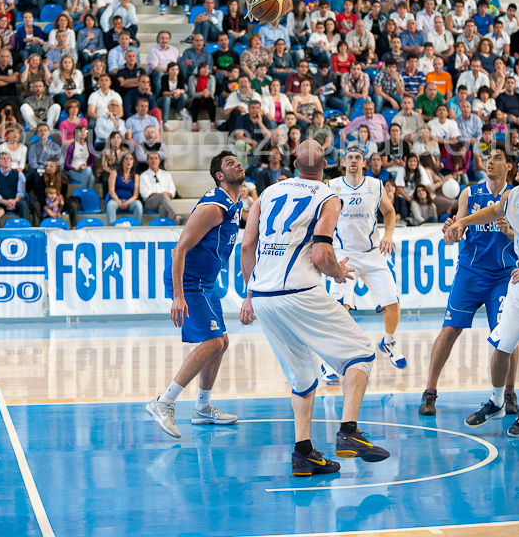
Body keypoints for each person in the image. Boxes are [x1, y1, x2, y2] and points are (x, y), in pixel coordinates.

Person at [240, 141, 389, 474]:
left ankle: (303, 453)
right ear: (326, 166)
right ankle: (349, 431)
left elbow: (247, 245)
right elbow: (321, 255)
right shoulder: (328, 196)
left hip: (264, 296)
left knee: (303, 376)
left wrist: (250, 294)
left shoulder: (266, 194)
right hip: (300, 291)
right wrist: (339, 273)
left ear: (294, 163)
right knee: (362, 354)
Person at [147, 152, 244, 438]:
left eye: (237, 160)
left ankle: (203, 408)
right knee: (213, 342)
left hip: (205, 282)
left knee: (221, 342)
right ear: (219, 176)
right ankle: (163, 402)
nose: (237, 163)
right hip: (189, 282)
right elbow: (179, 250)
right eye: (229, 163)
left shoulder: (233, 204)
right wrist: (178, 296)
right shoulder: (215, 207)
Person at [426, 148, 519, 428]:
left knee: (508, 337)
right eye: (488, 157)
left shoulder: (513, 196)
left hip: (504, 275)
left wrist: (509, 232)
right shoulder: (471, 193)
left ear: (509, 167)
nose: (490, 161)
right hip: (470, 272)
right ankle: (430, 391)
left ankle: (509, 393)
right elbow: (457, 228)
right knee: (449, 329)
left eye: (497, 158)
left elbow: (515, 232)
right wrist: (452, 228)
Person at [328, 146, 406, 366]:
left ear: (364, 163)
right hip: (344, 254)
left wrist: (388, 234)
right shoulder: (332, 186)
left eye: (358, 158)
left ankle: (389, 341)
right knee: (340, 309)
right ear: (344, 162)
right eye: (349, 157)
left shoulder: (375, 185)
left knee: (393, 303)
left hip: (373, 253)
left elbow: (389, 212)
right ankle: (332, 358)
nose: (353, 161)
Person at [139, 153, 182, 224]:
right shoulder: (143, 175)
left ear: (159, 161)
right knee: (163, 196)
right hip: (150, 202)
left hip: (165, 201)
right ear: (147, 161)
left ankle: (162, 226)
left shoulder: (166, 174)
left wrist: (168, 194)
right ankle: (176, 217)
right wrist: (160, 195)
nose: (153, 161)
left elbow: (172, 189)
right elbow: (144, 192)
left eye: (156, 158)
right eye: (151, 158)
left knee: (163, 206)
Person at [0, 152, 29, 220]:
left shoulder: (19, 174)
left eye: (8, 158)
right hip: (1, 202)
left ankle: (25, 227)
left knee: (23, 204)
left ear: (11, 161)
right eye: (3, 158)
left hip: (15, 201)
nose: (6, 160)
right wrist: (5, 202)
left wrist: (14, 201)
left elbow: (21, 192)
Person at [106, 152, 143, 226]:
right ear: (122, 162)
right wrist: (119, 202)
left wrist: (127, 203)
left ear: (133, 162)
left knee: (138, 204)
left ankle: (137, 227)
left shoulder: (136, 176)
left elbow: (135, 195)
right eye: (126, 159)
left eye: (131, 159)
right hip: (116, 200)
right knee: (110, 205)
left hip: (129, 201)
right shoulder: (114, 173)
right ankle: (111, 228)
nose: (128, 161)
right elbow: (111, 190)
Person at [188, 62, 216, 131]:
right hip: (195, 100)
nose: (206, 70)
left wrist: (207, 93)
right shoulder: (192, 78)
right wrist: (202, 93)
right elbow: (192, 94)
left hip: (207, 99)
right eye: (204, 68)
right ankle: (194, 123)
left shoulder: (211, 78)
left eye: (208, 68)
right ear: (199, 69)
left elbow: (212, 93)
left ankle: (212, 123)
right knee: (196, 100)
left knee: (210, 100)